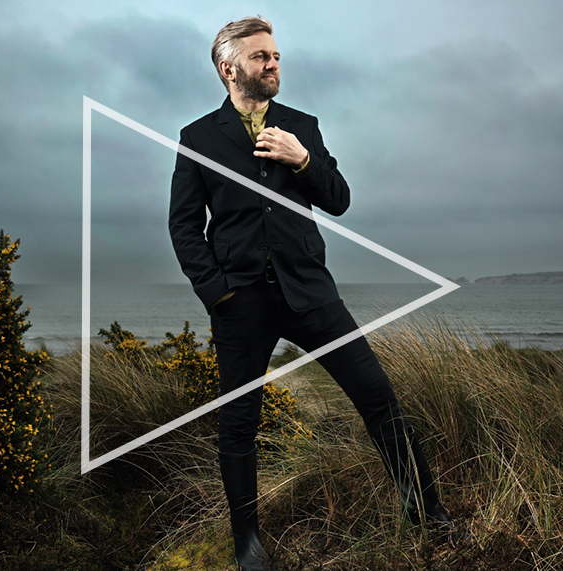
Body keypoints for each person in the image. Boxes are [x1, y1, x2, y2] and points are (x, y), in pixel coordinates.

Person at [168, 16, 458, 571]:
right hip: (242, 302)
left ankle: (428, 514)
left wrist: (303, 159)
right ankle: (247, 544)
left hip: (311, 293)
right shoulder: (198, 138)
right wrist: (218, 294)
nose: (274, 64)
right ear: (230, 70)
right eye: (260, 57)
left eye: (276, 55)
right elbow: (184, 226)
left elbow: (340, 199)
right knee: (239, 423)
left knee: (377, 397)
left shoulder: (303, 125)